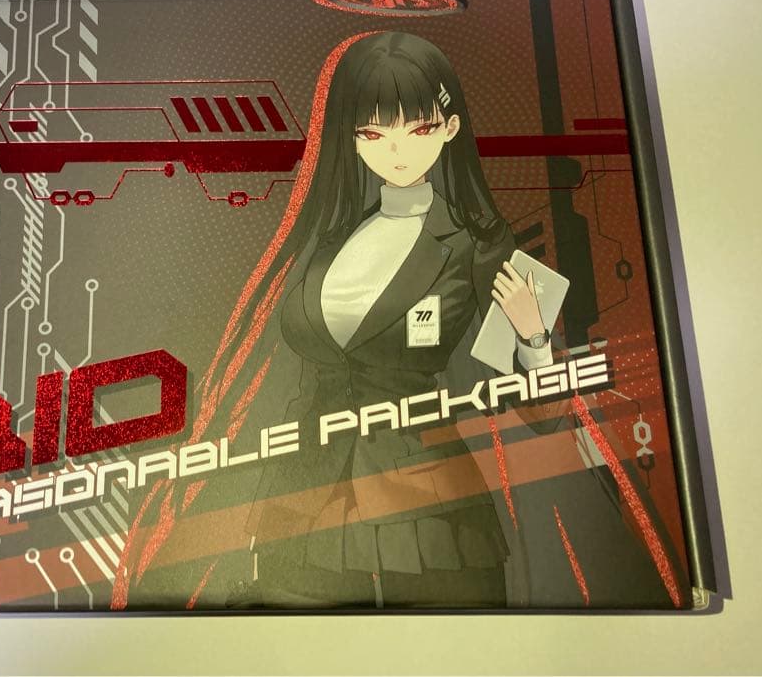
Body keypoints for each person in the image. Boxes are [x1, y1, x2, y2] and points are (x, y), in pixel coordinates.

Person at [221, 30, 557, 608]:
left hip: (424, 497)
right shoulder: (329, 238)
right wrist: (275, 502)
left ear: (450, 128)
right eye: (374, 133)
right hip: (308, 491)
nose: (397, 151)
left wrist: (533, 336)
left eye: (418, 129)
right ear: (352, 140)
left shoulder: (482, 242)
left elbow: (545, 415)